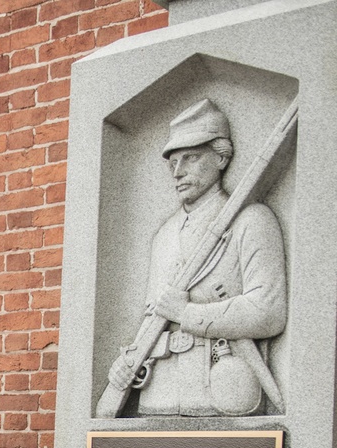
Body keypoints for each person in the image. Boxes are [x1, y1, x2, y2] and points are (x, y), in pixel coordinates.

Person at [100, 99, 287, 417]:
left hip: (221, 389)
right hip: (157, 395)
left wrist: (188, 314)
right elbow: (153, 316)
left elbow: (268, 311)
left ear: (221, 157)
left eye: (191, 158)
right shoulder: (164, 236)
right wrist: (127, 361)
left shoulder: (252, 220)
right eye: (172, 161)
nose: (177, 171)